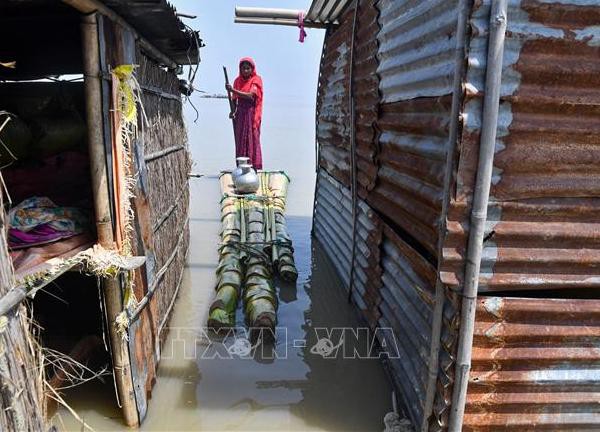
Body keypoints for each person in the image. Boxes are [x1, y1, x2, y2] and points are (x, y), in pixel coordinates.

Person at [226, 57, 264, 170]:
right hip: (240, 115)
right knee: (240, 140)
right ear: (240, 69)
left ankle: (254, 168)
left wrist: (232, 90)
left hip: (251, 114)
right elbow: (234, 100)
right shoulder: (237, 81)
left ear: (252, 69)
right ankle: (241, 168)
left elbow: (250, 95)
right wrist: (232, 111)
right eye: (243, 68)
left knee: (252, 140)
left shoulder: (256, 80)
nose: (246, 71)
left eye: (248, 68)